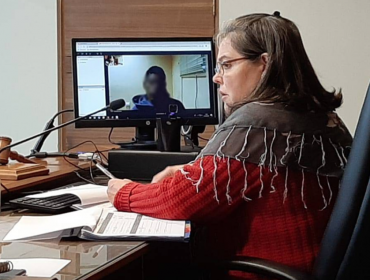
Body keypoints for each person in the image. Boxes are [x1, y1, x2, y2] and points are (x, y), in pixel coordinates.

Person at [108, 12, 352, 279]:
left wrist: (123, 192)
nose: (217, 77)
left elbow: (179, 201)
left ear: (264, 64)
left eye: (226, 65)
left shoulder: (257, 123)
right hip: (305, 265)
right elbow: (251, 175)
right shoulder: (320, 116)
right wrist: (188, 170)